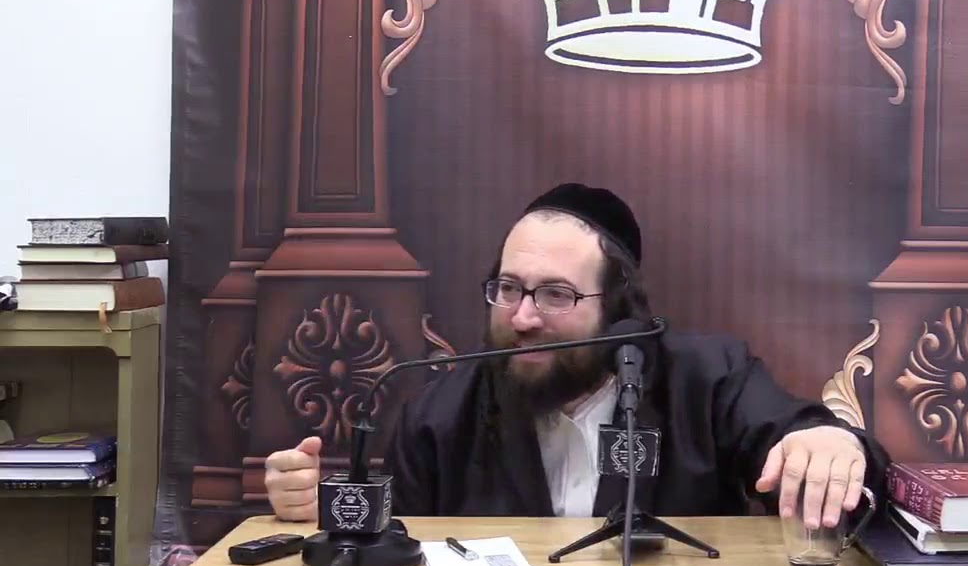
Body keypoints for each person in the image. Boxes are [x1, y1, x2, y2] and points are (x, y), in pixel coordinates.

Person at [265, 183, 889, 533]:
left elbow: (803, 439)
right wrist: (328, 509)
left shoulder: (706, 376)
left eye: (556, 295)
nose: (522, 318)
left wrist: (832, 445)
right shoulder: (441, 409)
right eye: (508, 288)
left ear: (617, 311)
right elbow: (395, 542)